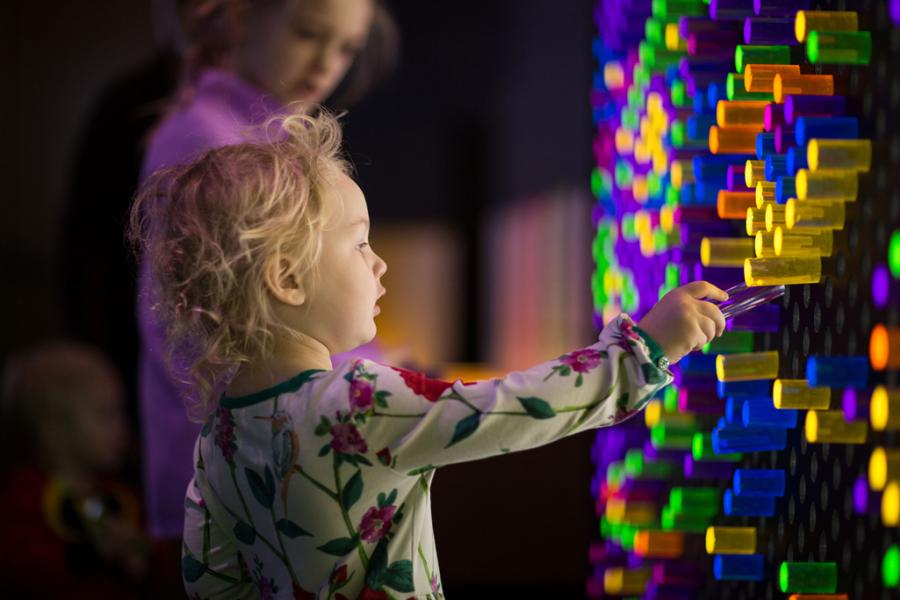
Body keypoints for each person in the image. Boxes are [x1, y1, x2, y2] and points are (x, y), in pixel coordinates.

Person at [128, 108, 727, 598]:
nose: (379, 261)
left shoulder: (220, 435)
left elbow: (210, 581)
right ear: (286, 278)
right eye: (360, 243)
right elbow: (517, 408)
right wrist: (642, 349)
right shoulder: (356, 402)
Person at [137, 0, 398, 542]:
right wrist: (364, 384)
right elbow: (203, 325)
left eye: (347, 47)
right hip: (225, 479)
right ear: (242, 18)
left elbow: (297, 299)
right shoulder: (208, 139)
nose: (328, 62)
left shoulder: (268, 135)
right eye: (308, 33)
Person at [0, 341, 151, 597]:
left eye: (119, 411)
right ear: (54, 430)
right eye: (105, 415)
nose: (122, 426)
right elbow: (18, 566)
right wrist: (87, 556)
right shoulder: (23, 500)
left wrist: (141, 558)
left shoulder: (120, 497)